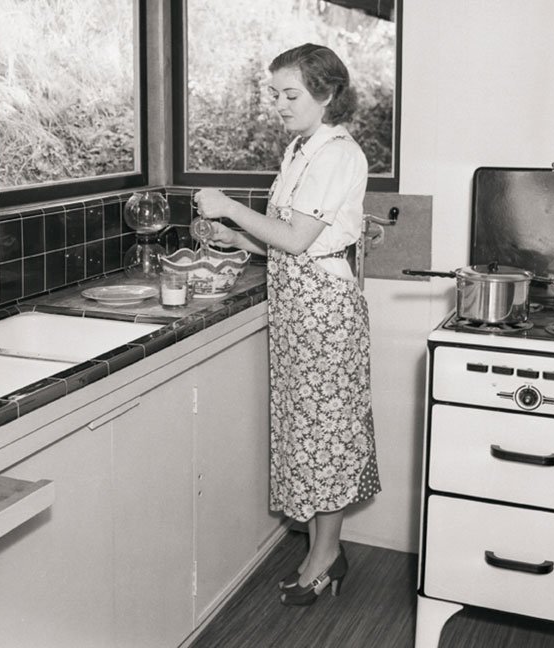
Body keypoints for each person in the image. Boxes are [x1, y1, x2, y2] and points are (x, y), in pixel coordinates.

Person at [194, 43, 380, 607]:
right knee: (309, 436)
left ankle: (326, 555)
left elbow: (299, 241)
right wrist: (238, 239)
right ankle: (323, 552)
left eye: (290, 93)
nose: (278, 103)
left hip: (324, 309)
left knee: (327, 435)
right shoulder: (301, 149)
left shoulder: (337, 154)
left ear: (327, 94)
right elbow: (288, 238)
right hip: (299, 307)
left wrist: (227, 207)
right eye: (273, 92)